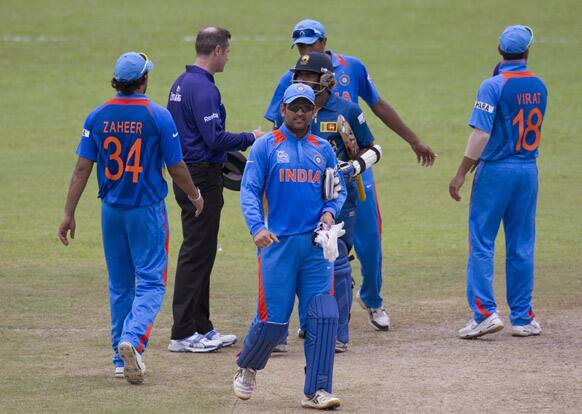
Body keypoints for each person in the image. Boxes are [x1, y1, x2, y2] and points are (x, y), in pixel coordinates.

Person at [264, 19, 436, 332]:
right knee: (313, 249)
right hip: (308, 184)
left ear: (324, 41)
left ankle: (371, 299)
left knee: (369, 243)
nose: (306, 50)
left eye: (310, 44)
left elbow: (378, 107)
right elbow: (278, 128)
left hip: (354, 176)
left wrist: (413, 141)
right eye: (300, 46)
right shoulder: (289, 81)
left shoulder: (352, 68)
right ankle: (315, 317)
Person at [58, 52, 204, 384]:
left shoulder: (96, 116)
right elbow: (176, 167)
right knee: (152, 282)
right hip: (146, 212)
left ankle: (119, 358)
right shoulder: (158, 116)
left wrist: (68, 213)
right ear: (144, 80)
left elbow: (82, 169)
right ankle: (134, 339)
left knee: (120, 284)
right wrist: (195, 195)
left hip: (111, 212)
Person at [233, 82, 345, 409]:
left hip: (314, 247)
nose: (299, 113)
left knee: (324, 317)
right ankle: (248, 367)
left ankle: (317, 390)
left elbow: (336, 191)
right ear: (282, 110)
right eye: (293, 107)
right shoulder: (266, 147)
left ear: (313, 111)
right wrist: (257, 227)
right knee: (272, 321)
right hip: (277, 245)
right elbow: (250, 191)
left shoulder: (323, 149)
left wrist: (328, 212)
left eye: (305, 108)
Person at [167, 27, 266, 352]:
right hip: (201, 179)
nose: (228, 57)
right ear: (219, 50)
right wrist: (251, 138)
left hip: (189, 173)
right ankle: (182, 333)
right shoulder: (204, 90)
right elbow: (213, 139)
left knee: (203, 250)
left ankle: (202, 327)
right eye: (228, 51)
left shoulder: (181, 84)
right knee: (196, 252)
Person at [274, 52, 381, 352]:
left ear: (326, 80)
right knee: (295, 264)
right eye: (300, 76)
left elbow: (372, 148)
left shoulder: (346, 110)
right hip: (297, 200)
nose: (303, 81)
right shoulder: (292, 110)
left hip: (338, 200)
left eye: (309, 77)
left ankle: (336, 333)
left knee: (336, 265)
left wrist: (352, 168)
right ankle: (304, 325)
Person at [449, 25, 547, 339]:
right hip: (527, 171)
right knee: (521, 244)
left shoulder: (493, 85)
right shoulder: (540, 85)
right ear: (527, 51)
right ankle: (523, 317)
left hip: (496, 172)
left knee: (481, 242)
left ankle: (484, 313)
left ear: (499, 49)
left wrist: (462, 171)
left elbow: (481, 134)